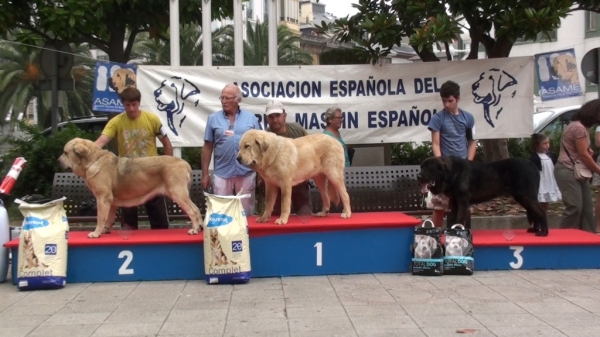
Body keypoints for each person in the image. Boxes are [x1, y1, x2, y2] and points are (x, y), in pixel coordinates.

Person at [94, 87, 173, 230]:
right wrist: (89, 151)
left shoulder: (152, 119)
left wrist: (167, 171)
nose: (131, 108)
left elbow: (167, 144)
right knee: (128, 224)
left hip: (151, 174)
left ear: (139, 103)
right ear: (122, 104)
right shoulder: (116, 122)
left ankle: (163, 247)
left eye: (134, 104)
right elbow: (100, 142)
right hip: (127, 175)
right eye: (127, 105)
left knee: (160, 222)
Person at [201, 84, 262, 216]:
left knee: (246, 212)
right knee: (221, 212)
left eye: (227, 98)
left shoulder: (251, 118)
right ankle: (223, 236)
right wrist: (205, 173)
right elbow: (207, 147)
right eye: (222, 98)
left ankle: (247, 235)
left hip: (246, 171)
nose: (223, 101)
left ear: (237, 99)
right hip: (222, 173)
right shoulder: (213, 119)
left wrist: (260, 172)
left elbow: (259, 147)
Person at [427, 80, 476, 227]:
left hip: (462, 168)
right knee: (439, 205)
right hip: (444, 168)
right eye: (444, 101)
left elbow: (472, 142)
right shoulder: (437, 118)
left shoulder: (468, 118)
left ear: (458, 99)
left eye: (450, 101)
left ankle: (463, 234)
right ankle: (434, 236)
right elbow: (435, 143)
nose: (447, 104)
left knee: (464, 203)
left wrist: (469, 162)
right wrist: (440, 164)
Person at [555, 99, 600, 233]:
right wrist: (598, 170)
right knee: (574, 207)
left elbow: (583, 152)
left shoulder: (581, 127)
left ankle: (587, 238)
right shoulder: (578, 127)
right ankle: (564, 238)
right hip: (568, 169)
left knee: (587, 207)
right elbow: (583, 155)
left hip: (576, 170)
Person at [264, 100, 312, 215]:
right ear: (267, 119)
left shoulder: (297, 130)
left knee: (305, 218)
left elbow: (311, 149)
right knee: (276, 219)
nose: (275, 119)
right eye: (271, 116)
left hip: (300, 183)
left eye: (278, 116)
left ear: (284, 116)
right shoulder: (265, 138)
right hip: (276, 185)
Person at [529, 133, 561, 228]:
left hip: (549, 180)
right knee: (538, 201)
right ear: (537, 145)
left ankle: (543, 219)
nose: (547, 145)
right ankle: (535, 223)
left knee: (546, 201)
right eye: (544, 143)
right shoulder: (535, 157)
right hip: (540, 181)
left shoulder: (550, 155)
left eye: (548, 143)